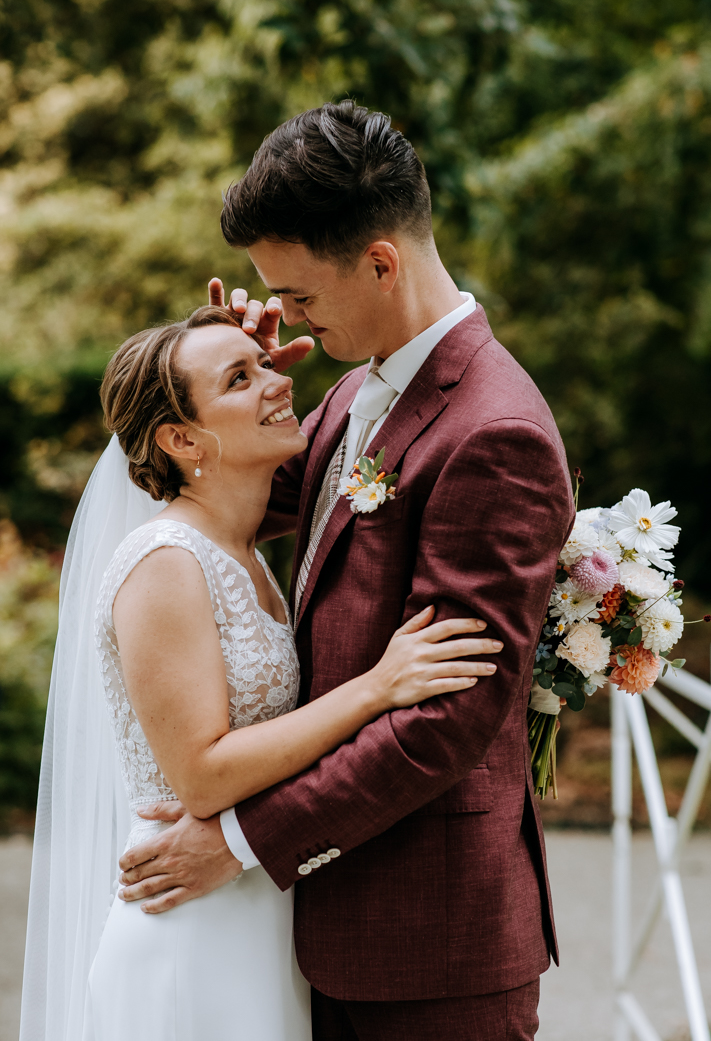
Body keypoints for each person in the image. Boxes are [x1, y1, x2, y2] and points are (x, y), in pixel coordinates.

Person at [117, 101, 575, 1040]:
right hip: (321, 929)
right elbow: (222, 526)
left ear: (380, 262)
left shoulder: (493, 430)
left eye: (298, 296)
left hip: (428, 946)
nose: (286, 317)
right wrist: (244, 405)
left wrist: (238, 842)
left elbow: (440, 722)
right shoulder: (364, 387)